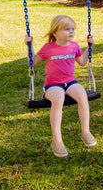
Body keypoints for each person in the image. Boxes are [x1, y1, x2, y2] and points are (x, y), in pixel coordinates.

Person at [25, 15, 97, 157]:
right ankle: (57, 140)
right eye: (66, 29)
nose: (71, 32)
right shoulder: (48, 48)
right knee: (58, 99)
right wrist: (29, 46)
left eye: (72, 29)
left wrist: (90, 47)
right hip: (52, 85)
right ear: (55, 33)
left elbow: (82, 62)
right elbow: (32, 62)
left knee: (82, 95)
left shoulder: (74, 46)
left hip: (70, 82)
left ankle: (85, 132)